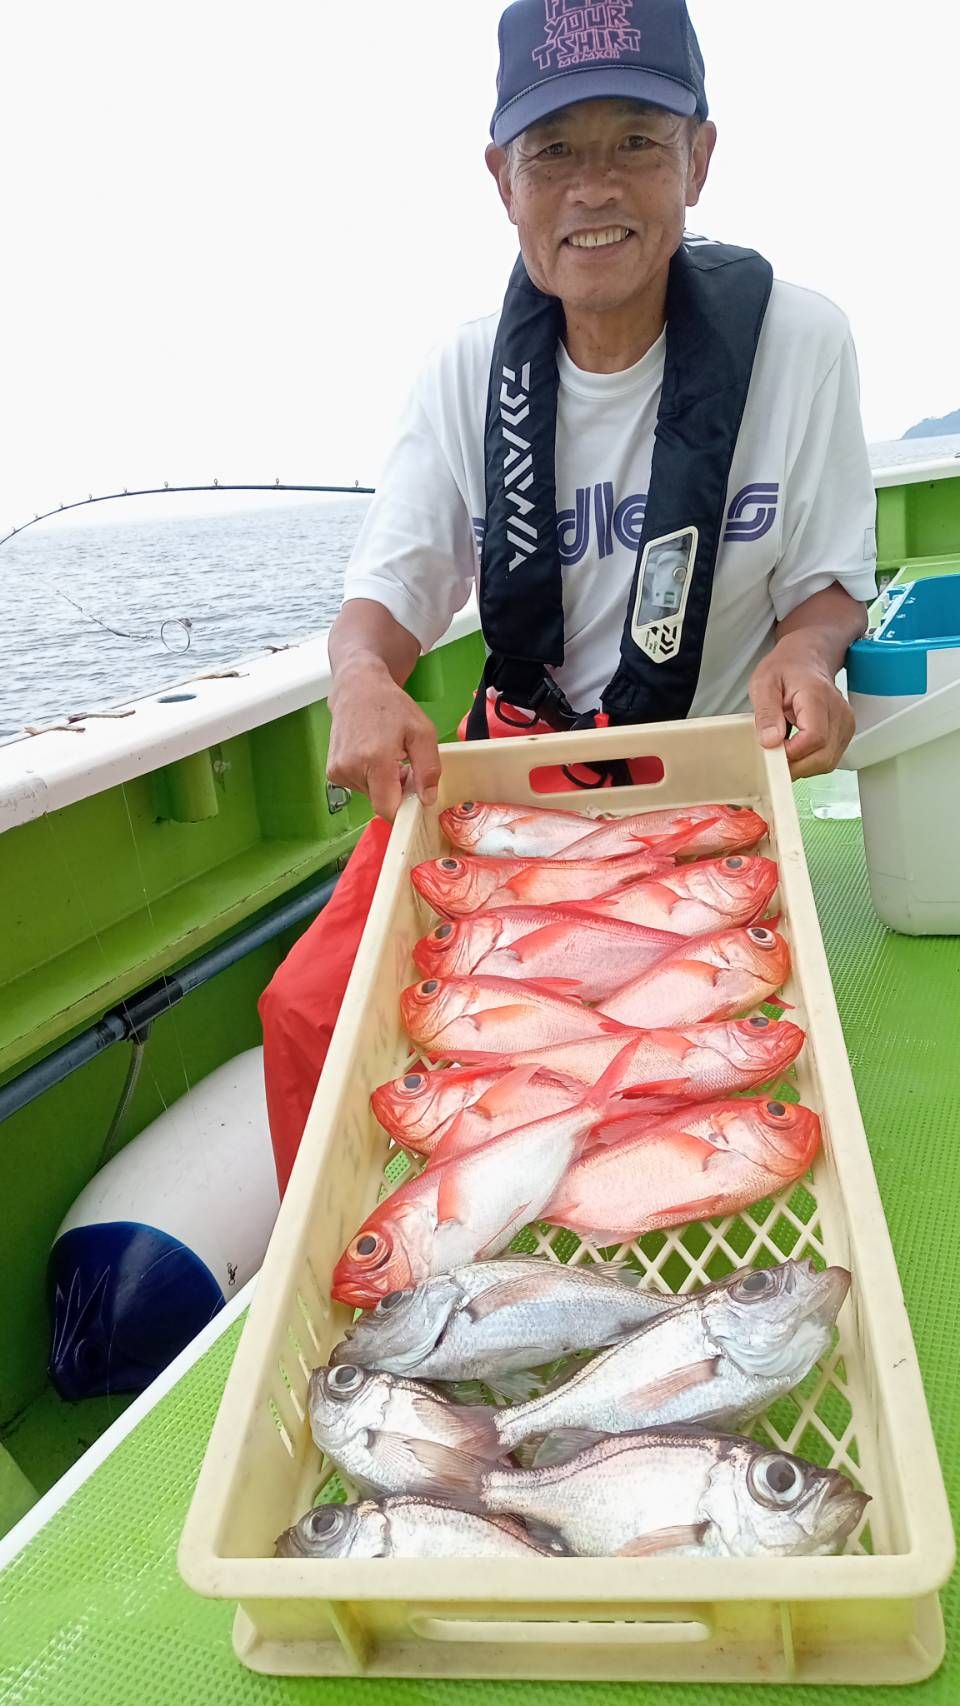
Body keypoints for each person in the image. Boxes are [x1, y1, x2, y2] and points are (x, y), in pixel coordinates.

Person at [260, 0, 877, 1189]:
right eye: (554, 151)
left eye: (636, 140)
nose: (595, 186)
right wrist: (361, 676)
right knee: (306, 1013)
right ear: (503, 179)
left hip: (699, 781)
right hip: (513, 782)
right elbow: (385, 599)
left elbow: (827, 587)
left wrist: (808, 653)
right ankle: (370, 1269)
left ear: (699, 157)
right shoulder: (463, 371)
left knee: (722, 1074)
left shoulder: (800, 343)